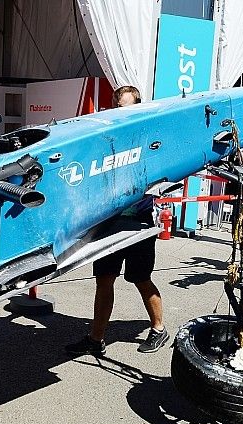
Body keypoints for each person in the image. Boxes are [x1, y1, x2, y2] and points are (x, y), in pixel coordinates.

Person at [66, 85, 169, 356]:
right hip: (110, 222)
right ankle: (96, 338)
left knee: (140, 278)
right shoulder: (108, 139)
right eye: (120, 108)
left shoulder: (149, 139)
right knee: (104, 280)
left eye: (129, 107)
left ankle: (158, 329)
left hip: (139, 223)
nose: (124, 113)